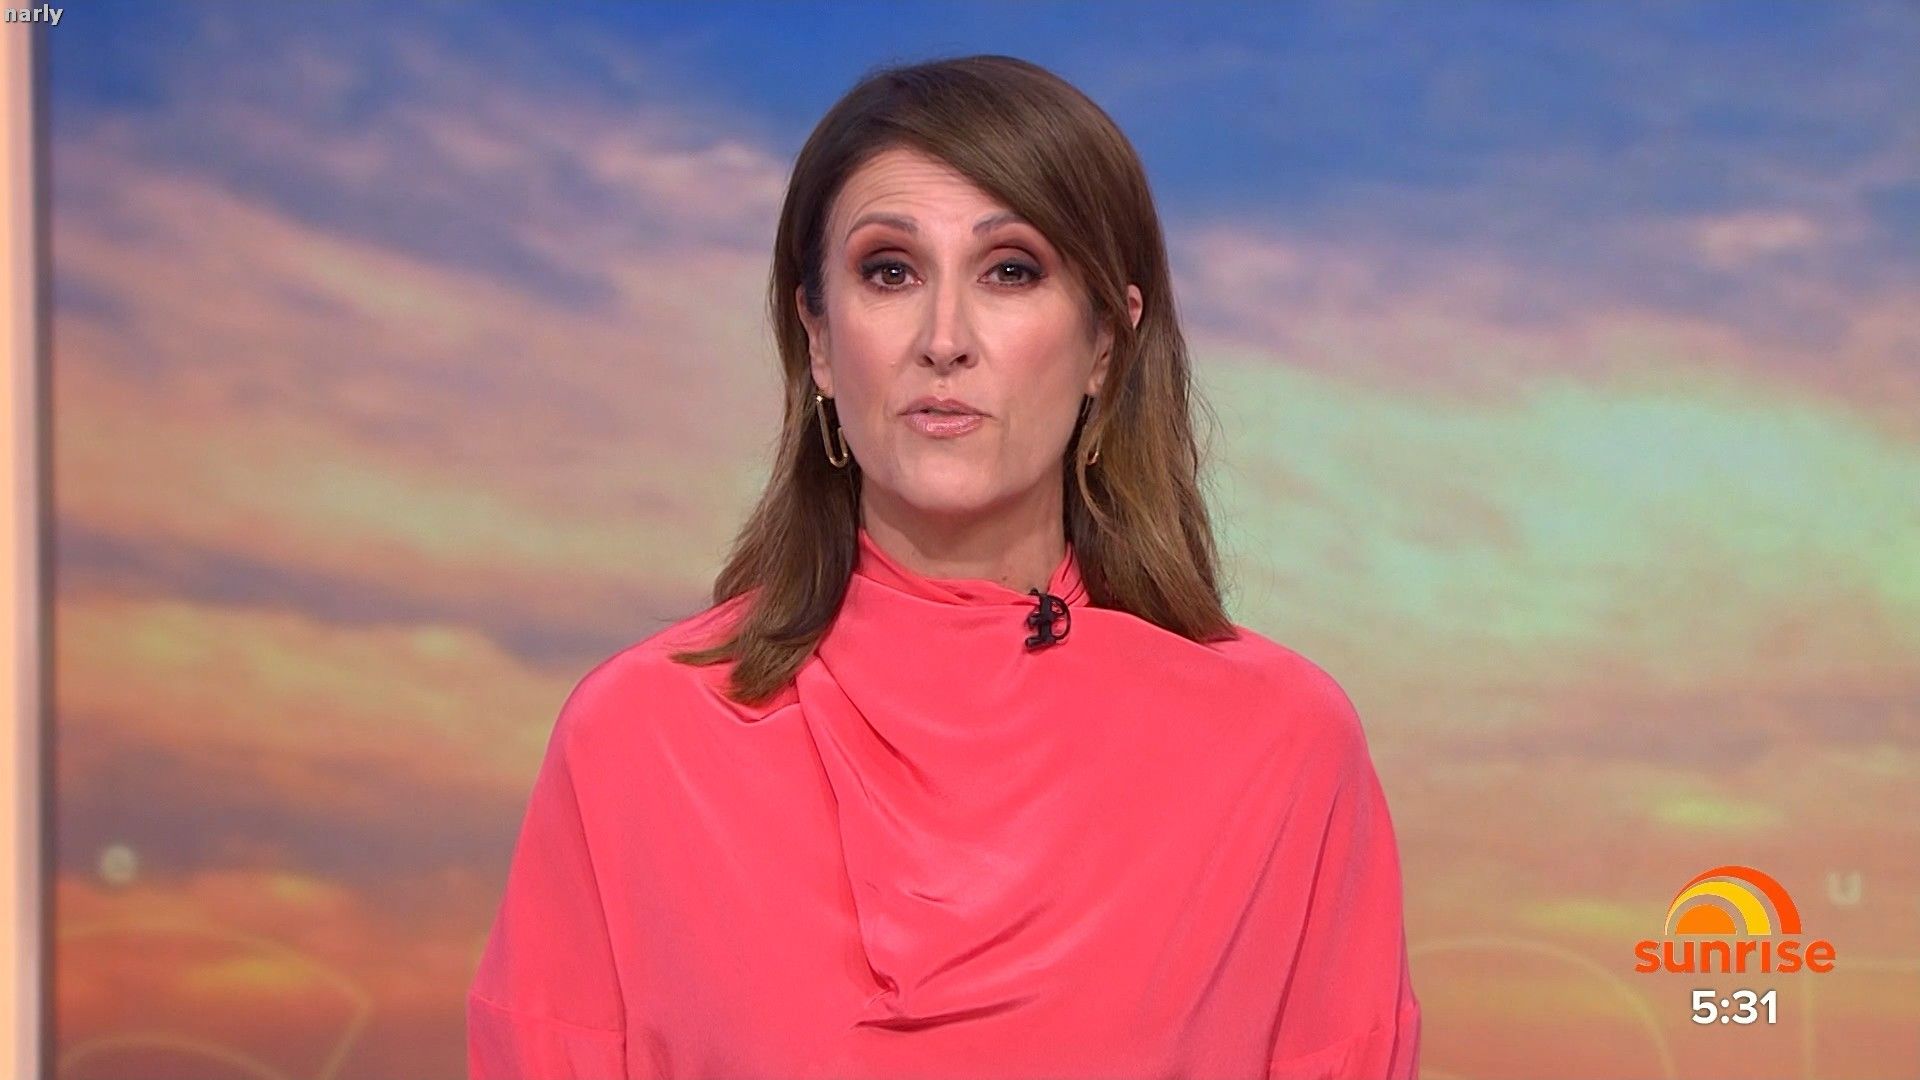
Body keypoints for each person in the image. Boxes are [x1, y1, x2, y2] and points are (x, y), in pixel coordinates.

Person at [467, 54, 1420, 1080]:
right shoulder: (636, 740)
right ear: (819, 339)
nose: (944, 340)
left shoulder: (1280, 749)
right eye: (891, 272)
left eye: (1011, 271)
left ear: (1107, 341)